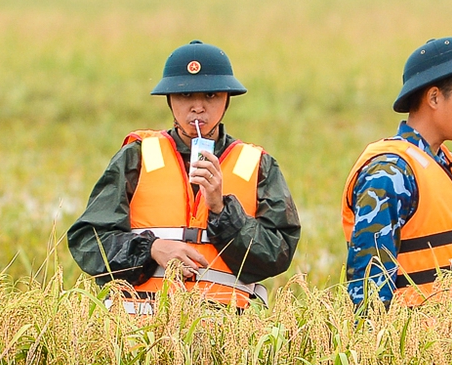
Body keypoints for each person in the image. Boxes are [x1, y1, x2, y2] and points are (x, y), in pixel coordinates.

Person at [67, 40, 300, 313]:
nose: (198, 107)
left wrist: (221, 211)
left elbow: (277, 254)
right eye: (185, 95)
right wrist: (152, 249)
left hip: (226, 334)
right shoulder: (137, 156)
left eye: (211, 95)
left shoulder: (257, 164)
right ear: (169, 100)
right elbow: (89, 242)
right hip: (140, 335)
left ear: (227, 100)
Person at [342, 37, 452, 308]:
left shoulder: (446, 163)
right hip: (417, 342)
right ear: (434, 97)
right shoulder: (389, 172)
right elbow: (369, 287)